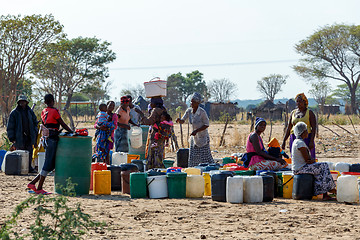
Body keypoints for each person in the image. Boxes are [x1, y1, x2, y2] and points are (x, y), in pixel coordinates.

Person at [27, 94, 73, 194]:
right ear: (53, 101)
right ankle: (39, 188)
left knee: (51, 165)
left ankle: (33, 183)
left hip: (46, 138)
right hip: (52, 139)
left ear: (45, 102)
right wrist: (72, 131)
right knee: (48, 164)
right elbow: (62, 123)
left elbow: (48, 124)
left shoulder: (44, 111)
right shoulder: (55, 111)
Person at [291, 121, 336, 200]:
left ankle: (325, 192)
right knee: (324, 166)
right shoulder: (300, 143)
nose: (308, 132)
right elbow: (307, 160)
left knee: (321, 169)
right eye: (306, 131)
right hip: (300, 169)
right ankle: (328, 190)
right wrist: (313, 160)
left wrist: (312, 161)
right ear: (303, 132)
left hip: (300, 167)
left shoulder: (296, 141)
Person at [176, 92, 214, 167]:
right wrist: (179, 120)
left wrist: (196, 131)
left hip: (202, 137)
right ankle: (194, 169)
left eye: (193, 102)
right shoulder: (189, 111)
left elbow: (206, 124)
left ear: (197, 103)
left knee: (205, 157)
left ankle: (208, 169)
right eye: (191, 101)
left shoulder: (202, 112)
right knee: (193, 157)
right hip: (194, 138)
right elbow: (183, 120)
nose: (191, 103)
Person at [7, 95, 38, 173]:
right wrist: (12, 138)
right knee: (20, 153)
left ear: (26, 102)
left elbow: (35, 123)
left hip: (29, 136)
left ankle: (29, 168)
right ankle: (20, 168)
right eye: (21, 101)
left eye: (23, 101)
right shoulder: (14, 113)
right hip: (19, 137)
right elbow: (10, 127)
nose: (22, 103)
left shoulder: (30, 112)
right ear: (18, 102)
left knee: (29, 152)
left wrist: (34, 133)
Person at [282, 93, 317, 159]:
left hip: (306, 137)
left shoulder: (309, 113)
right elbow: (289, 127)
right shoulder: (293, 113)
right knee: (296, 156)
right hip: (294, 137)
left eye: (300, 101)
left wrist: (311, 141)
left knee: (308, 157)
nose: (298, 103)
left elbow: (314, 128)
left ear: (305, 102)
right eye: (297, 101)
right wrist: (284, 141)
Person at [136, 96, 167, 169]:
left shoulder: (155, 110)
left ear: (154, 103)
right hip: (161, 135)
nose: (150, 104)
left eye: (151, 102)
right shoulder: (163, 110)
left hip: (155, 136)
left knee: (153, 155)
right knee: (159, 154)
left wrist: (141, 114)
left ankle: (154, 171)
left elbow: (148, 122)